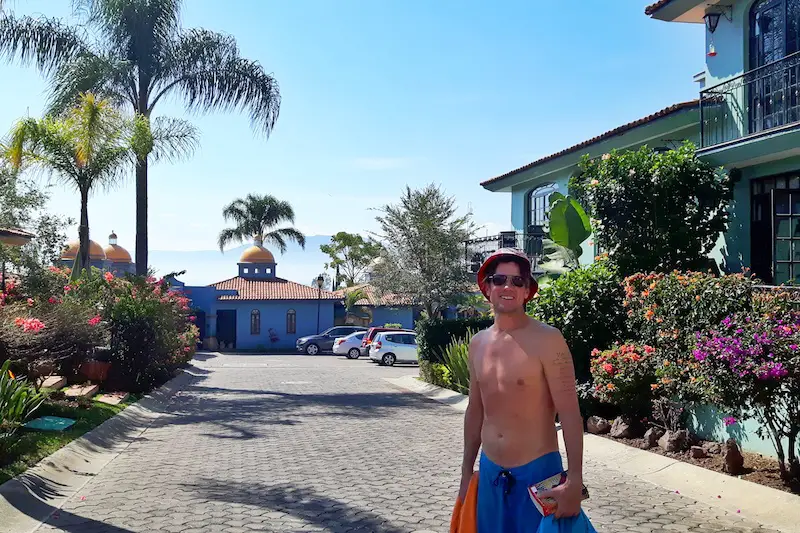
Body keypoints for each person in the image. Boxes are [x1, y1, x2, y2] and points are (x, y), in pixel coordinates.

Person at [458, 248, 596, 532]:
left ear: (527, 291)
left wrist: (575, 480)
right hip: (490, 472)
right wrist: (465, 473)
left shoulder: (548, 339)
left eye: (517, 281)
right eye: (499, 280)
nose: (508, 287)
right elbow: (475, 411)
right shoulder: (478, 343)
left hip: (537, 473)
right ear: (487, 287)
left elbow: (570, 413)